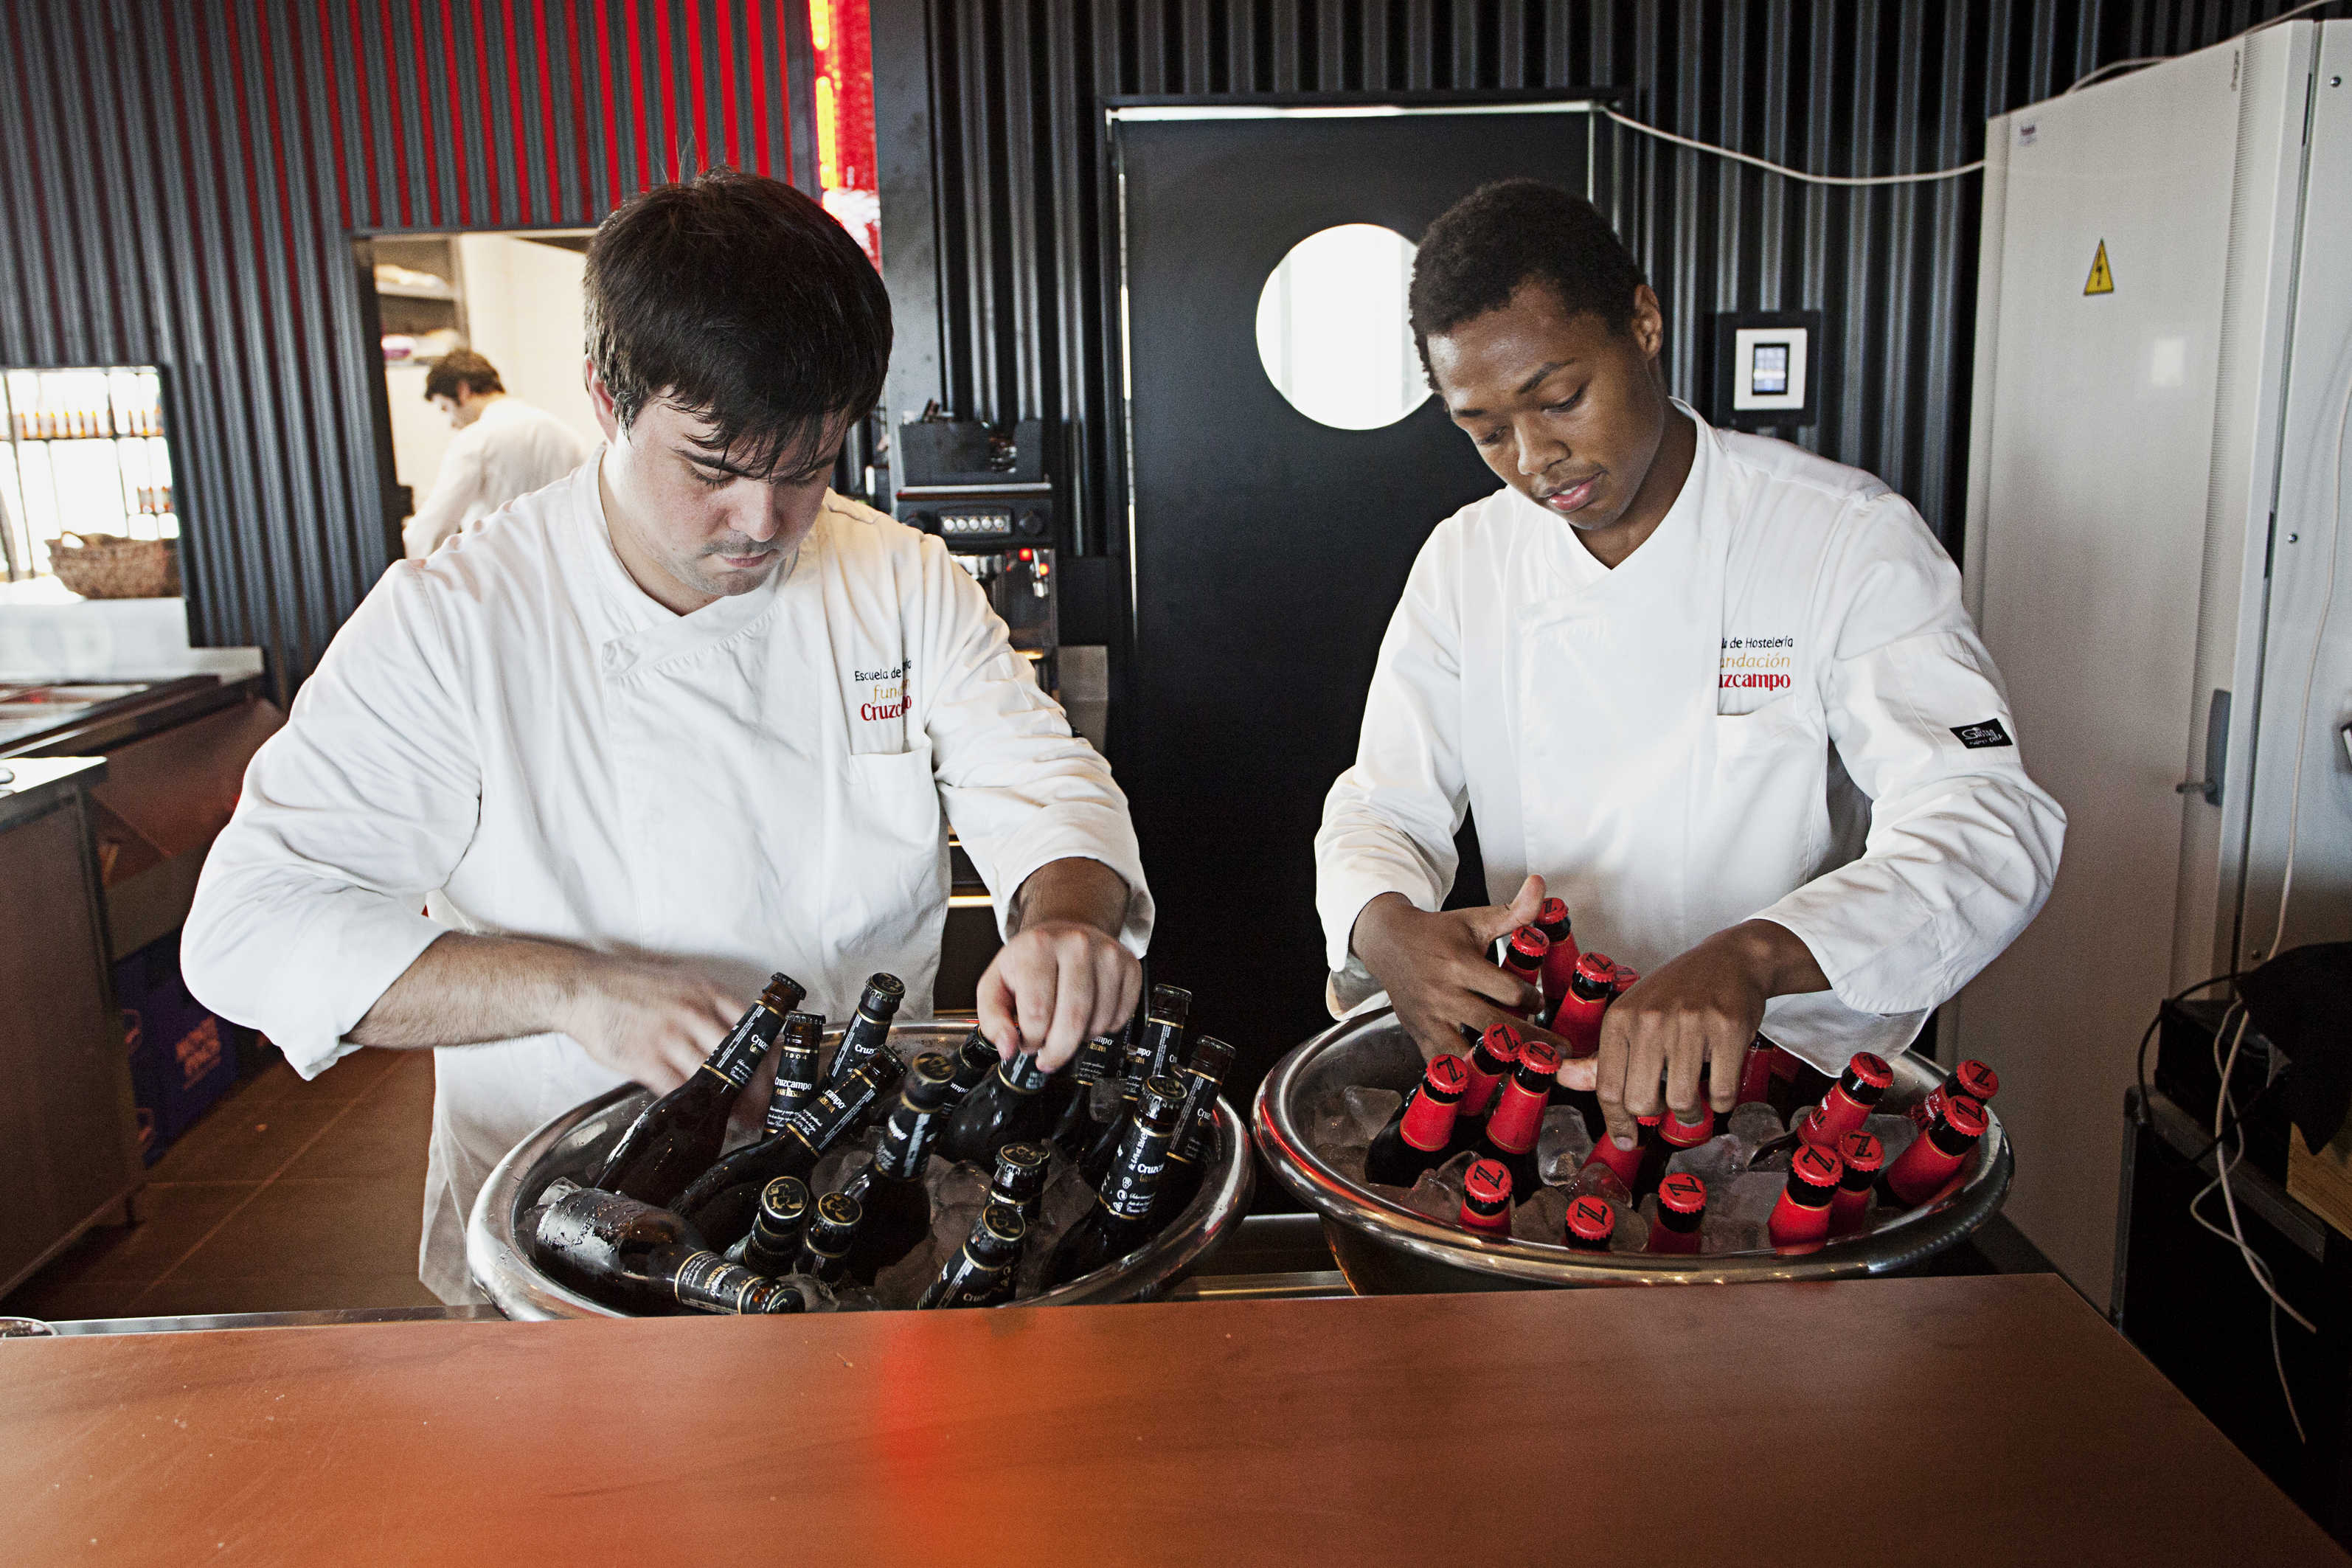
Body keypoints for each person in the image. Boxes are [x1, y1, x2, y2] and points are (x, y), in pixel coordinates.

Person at [184, 171, 1149, 1302]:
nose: (764, 522)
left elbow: (1040, 782)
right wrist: (575, 989)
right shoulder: (457, 617)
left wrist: (1066, 920)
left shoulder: (894, 578)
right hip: (563, 1220)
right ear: (608, 395)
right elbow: (248, 927)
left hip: (838, 1212)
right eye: (715, 466)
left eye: (808, 466)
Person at [1316, 180, 2064, 1156]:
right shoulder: (1469, 560)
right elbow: (1383, 802)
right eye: (1485, 430)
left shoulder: (1839, 539)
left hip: (1785, 1092)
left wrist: (1753, 957)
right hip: (1547, 1080)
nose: (1536, 457)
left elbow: (1987, 825)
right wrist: (1382, 927)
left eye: (1560, 398)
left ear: (1644, 320)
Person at [401, 349, 589, 558]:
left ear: (463, 391)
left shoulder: (475, 440)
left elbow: (433, 529)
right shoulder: (566, 435)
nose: (451, 423)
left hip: (500, 573)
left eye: (446, 408)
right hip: (563, 570)